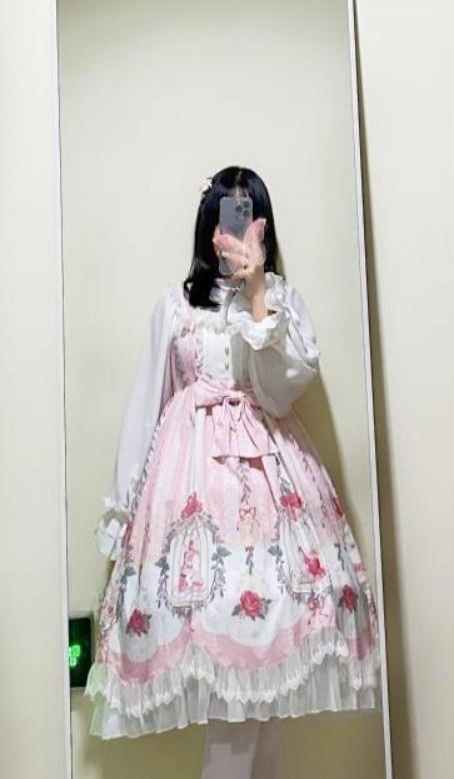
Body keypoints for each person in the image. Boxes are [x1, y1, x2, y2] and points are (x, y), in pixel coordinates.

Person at [84, 166, 381, 776]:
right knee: (228, 686)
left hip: (271, 492)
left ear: (263, 227)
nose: (235, 228)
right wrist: (121, 513)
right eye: (226, 213)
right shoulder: (176, 305)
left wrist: (258, 296)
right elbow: (146, 405)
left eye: (248, 214)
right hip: (192, 496)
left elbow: (279, 392)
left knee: (264, 694)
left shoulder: (281, 304)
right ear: (209, 223)